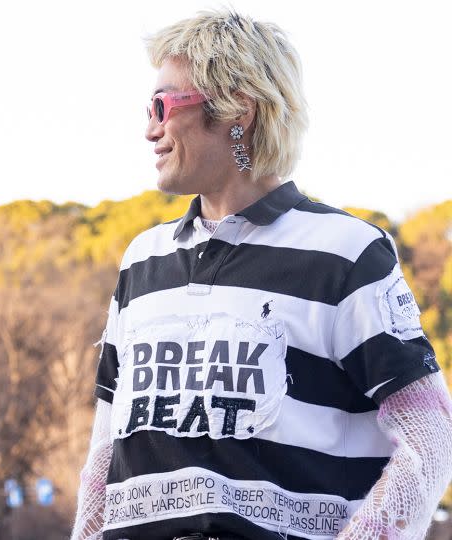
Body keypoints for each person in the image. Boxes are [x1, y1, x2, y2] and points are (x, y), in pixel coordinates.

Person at [71, 10, 452, 540]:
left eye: (162, 104)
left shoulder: (345, 253)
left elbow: (430, 438)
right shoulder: (142, 260)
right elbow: (105, 453)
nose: (149, 128)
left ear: (237, 111)